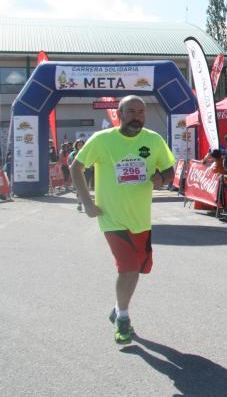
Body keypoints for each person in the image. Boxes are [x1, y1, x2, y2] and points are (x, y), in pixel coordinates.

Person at [69, 95, 175, 345]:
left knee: (137, 269)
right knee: (127, 267)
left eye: (141, 112)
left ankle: (118, 309)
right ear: (119, 114)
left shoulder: (153, 140)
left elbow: (170, 169)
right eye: (131, 112)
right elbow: (76, 167)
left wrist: (162, 178)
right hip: (111, 218)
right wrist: (87, 202)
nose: (137, 117)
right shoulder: (102, 140)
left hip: (141, 219)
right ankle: (123, 319)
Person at [69, 139, 85, 211]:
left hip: (85, 172)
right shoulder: (73, 154)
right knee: (79, 188)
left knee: (86, 188)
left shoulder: (86, 152)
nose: (81, 146)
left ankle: (85, 202)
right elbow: (69, 162)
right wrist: (70, 167)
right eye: (79, 145)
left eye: (82, 145)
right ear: (76, 146)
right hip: (77, 173)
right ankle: (79, 203)